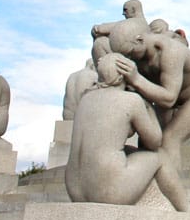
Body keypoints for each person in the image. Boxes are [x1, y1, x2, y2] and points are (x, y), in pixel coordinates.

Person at [108, 17, 190, 212]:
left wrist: (135, 79)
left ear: (140, 40)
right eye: (125, 56)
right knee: (148, 141)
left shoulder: (170, 52)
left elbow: (168, 97)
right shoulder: (137, 56)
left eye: (130, 53)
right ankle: (149, 193)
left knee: (169, 140)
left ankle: (176, 205)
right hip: (164, 97)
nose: (130, 59)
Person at [65, 53, 183, 208]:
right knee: (160, 156)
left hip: (74, 190)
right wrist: (148, 107)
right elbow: (154, 142)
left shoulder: (85, 100)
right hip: (110, 191)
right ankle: (186, 209)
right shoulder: (131, 100)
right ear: (122, 77)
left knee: (125, 150)